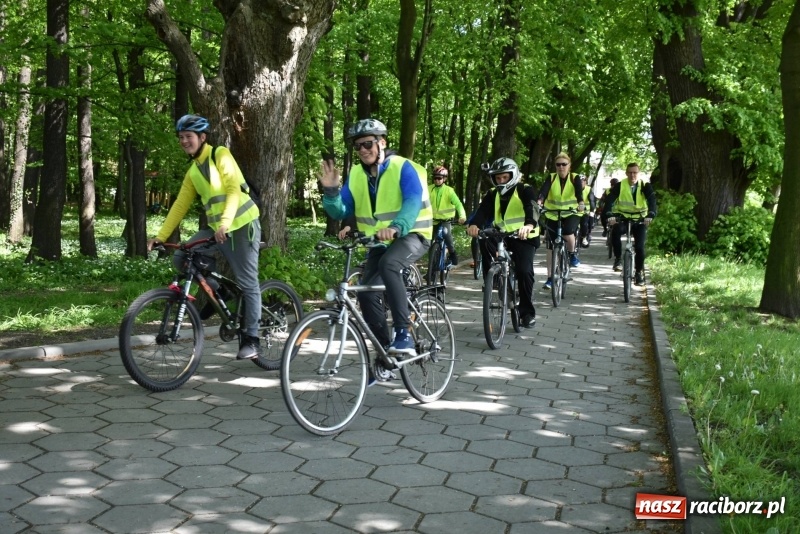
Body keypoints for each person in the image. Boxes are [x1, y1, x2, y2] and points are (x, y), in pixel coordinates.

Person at [147, 114, 263, 361]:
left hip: (241, 225)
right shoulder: (193, 171)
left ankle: (252, 339)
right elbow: (180, 204)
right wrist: (161, 236)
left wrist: (225, 223)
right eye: (181, 137)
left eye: (188, 137)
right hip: (218, 229)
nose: (184, 141)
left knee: (248, 281)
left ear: (202, 137)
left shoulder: (219, 154)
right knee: (181, 257)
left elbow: (232, 189)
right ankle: (221, 292)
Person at [319, 118, 432, 363]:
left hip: (413, 233)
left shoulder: (402, 167)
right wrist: (331, 192)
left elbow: (413, 200)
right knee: (367, 294)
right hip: (381, 242)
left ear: (382, 142)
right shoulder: (357, 174)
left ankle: (403, 333)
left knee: (389, 264)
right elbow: (341, 211)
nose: (363, 150)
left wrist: (396, 227)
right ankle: (385, 355)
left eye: (368, 143)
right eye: (358, 146)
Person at [467, 157, 539, 329]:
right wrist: (474, 225)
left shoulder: (525, 190)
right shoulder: (493, 194)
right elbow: (482, 211)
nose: (500, 181)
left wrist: (529, 225)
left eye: (504, 177)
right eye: (497, 178)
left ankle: (527, 313)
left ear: (512, 175)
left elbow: (532, 208)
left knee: (524, 270)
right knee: (483, 240)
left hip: (524, 237)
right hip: (502, 235)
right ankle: (492, 278)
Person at [603, 162, 657, 285]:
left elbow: (652, 201)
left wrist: (651, 214)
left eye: (635, 172)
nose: (632, 175)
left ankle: (638, 273)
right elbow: (610, 200)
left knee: (639, 247)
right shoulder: (620, 186)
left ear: (639, 173)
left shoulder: (645, 185)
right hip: (623, 218)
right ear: (626, 173)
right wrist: (609, 215)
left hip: (640, 220)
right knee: (615, 232)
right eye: (630, 172)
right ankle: (618, 259)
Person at [538, 152, 584, 290]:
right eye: (558, 164)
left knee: (568, 231)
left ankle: (572, 255)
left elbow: (578, 193)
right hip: (553, 213)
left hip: (571, 212)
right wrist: (539, 201)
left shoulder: (575, 178)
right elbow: (543, 191)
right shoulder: (551, 178)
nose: (561, 167)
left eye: (564, 164)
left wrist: (581, 202)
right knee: (551, 246)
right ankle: (550, 278)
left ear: (569, 166)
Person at [428, 165, 467, 265]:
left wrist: (462, 217)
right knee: (429, 242)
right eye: (435, 178)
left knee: (447, 236)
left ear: (444, 179)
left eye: (439, 178)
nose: (436, 180)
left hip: (446, 220)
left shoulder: (449, 191)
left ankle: (452, 253)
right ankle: (431, 268)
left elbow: (458, 204)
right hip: (433, 220)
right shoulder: (429, 189)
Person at [578, 176, 596, 248]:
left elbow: (591, 200)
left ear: (585, 182)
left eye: (582, 181)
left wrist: (592, 210)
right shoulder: (574, 188)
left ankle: (585, 237)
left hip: (586, 210)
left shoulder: (588, 189)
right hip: (575, 210)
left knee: (586, 224)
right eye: (579, 181)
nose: (581, 182)